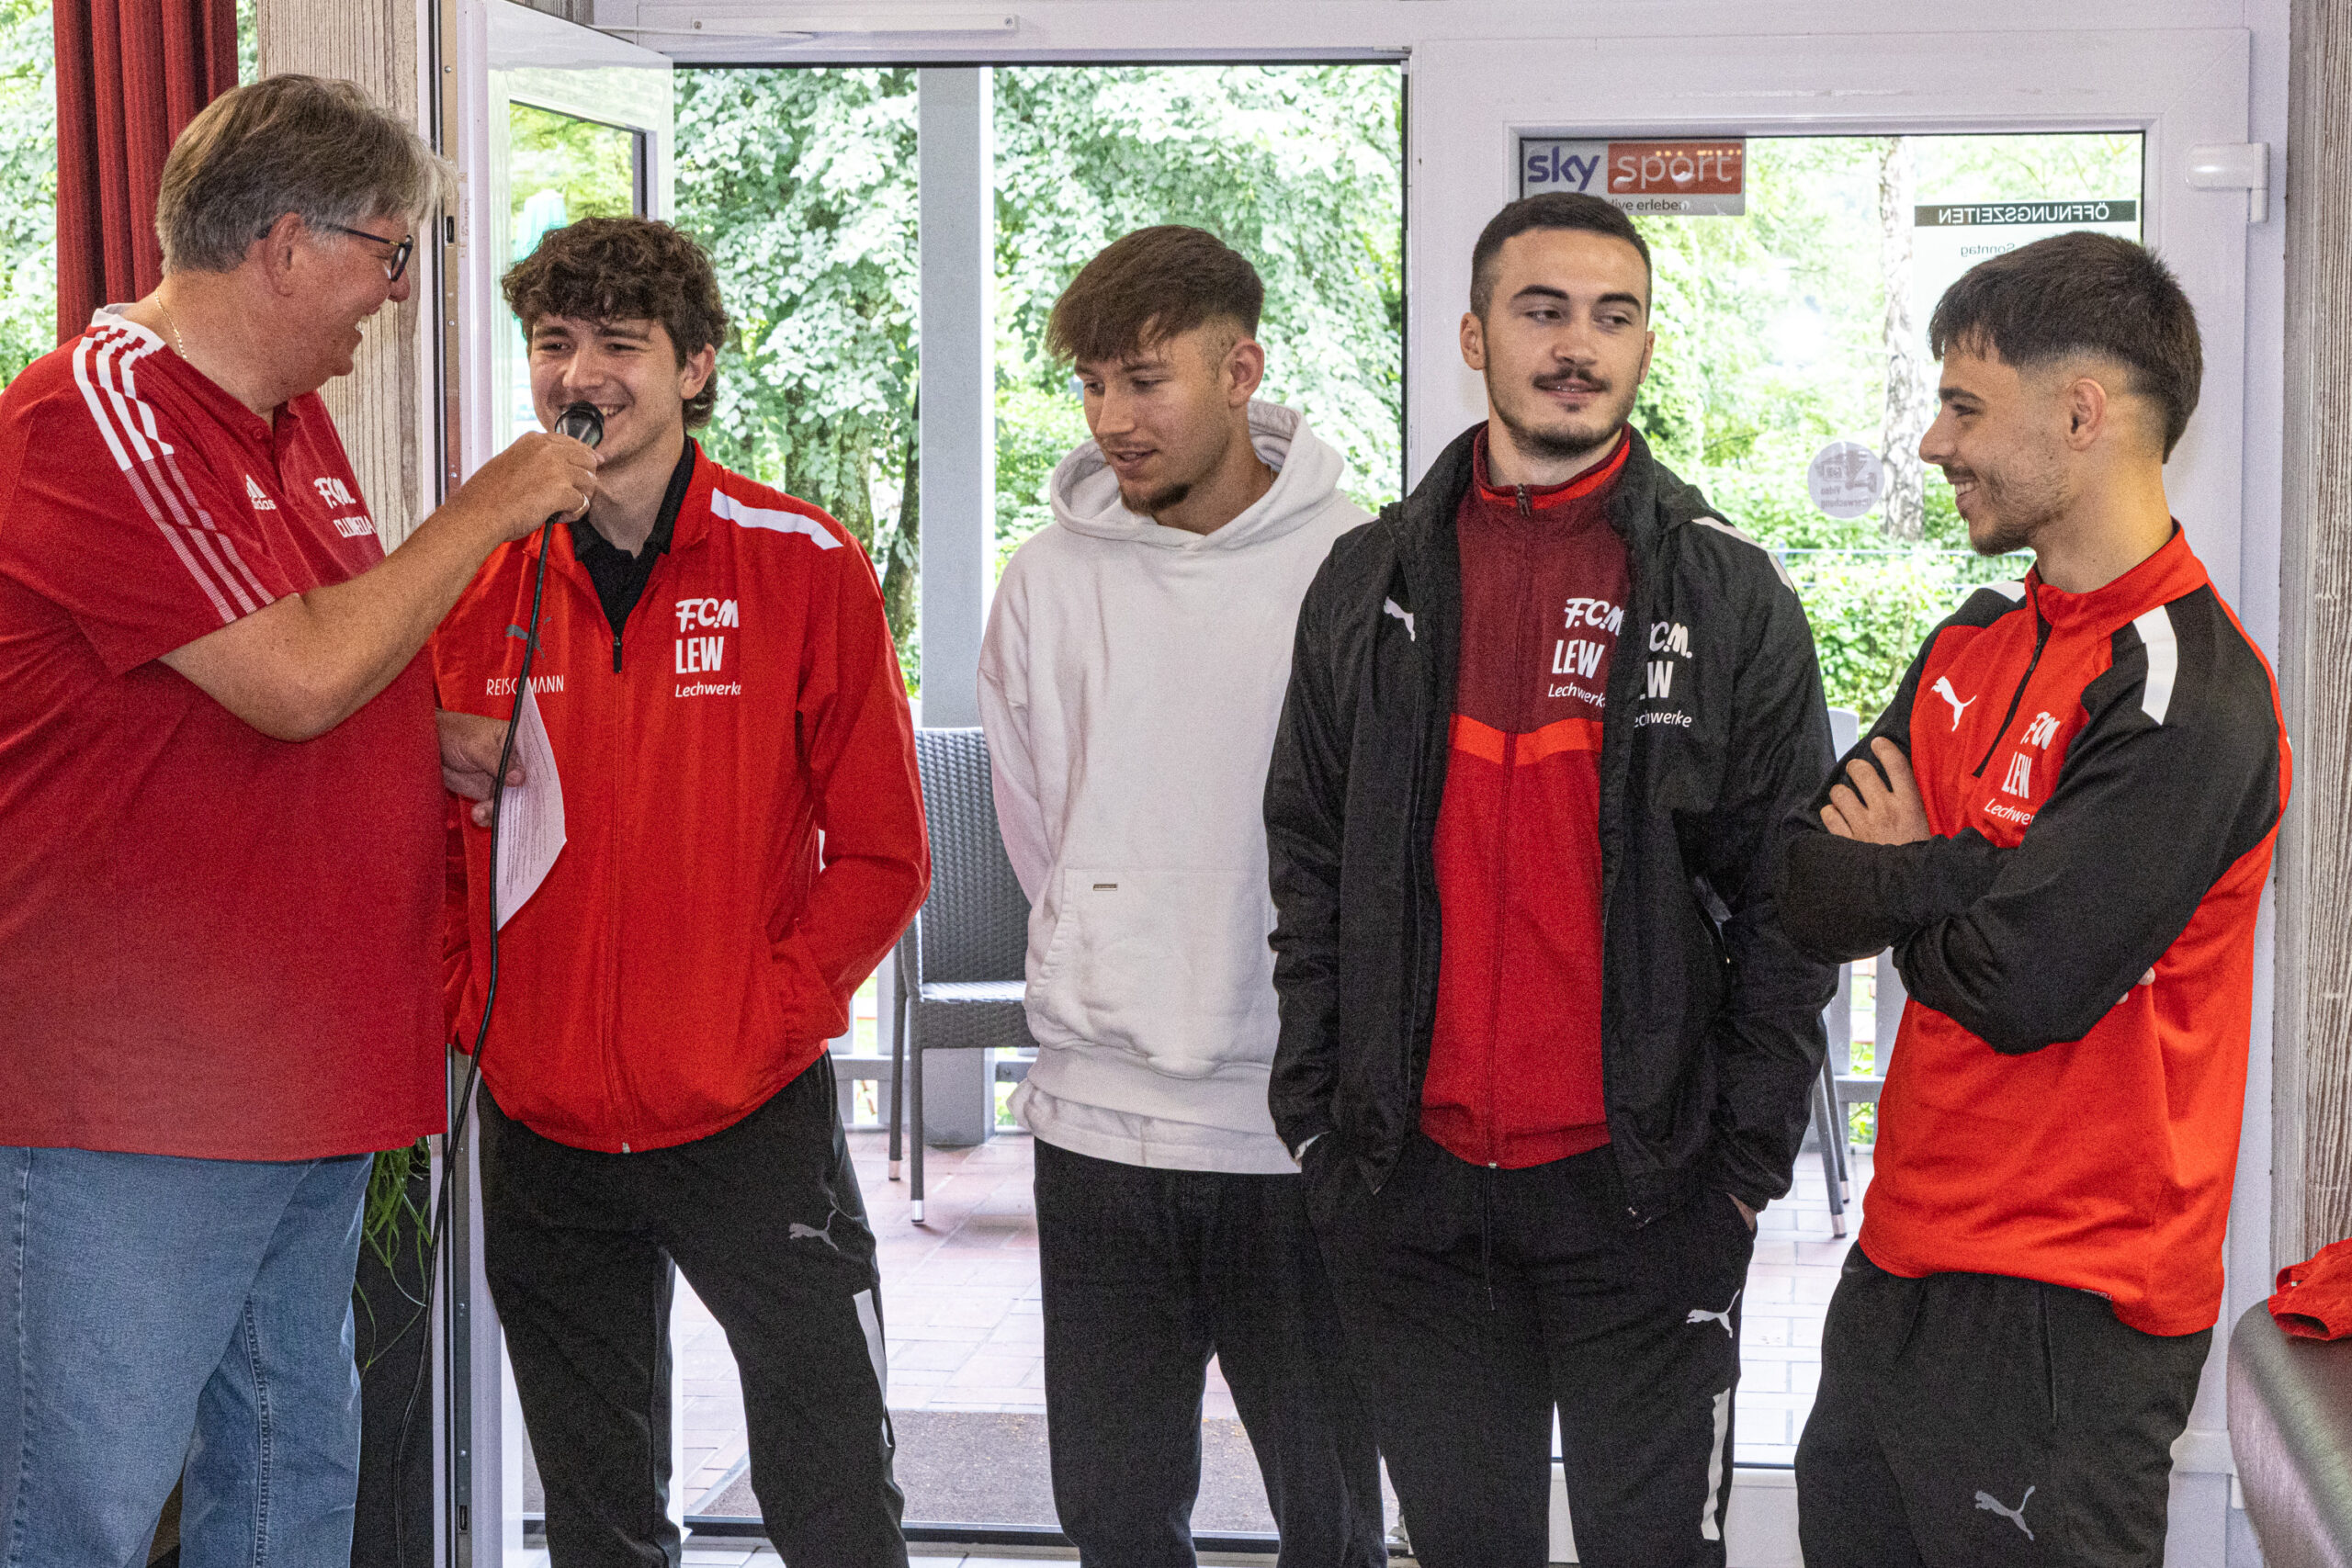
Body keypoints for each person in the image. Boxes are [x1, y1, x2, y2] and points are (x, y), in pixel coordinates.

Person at [0, 75, 594, 1562]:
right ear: (283, 244)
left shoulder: (287, 423)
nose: (397, 293)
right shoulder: (97, 414)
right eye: (389, 252)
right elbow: (295, 678)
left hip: (303, 1070)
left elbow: (265, 664)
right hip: (143, 1096)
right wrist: (482, 511)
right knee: (82, 1508)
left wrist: (419, 742)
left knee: (290, 1483)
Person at [1262, 191, 1838, 1568]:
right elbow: (1310, 861)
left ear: (1643, 347)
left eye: (1612, 317)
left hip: (1647, 1197)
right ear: (1476, 336)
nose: (1578, 345)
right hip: (1413, 1192)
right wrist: (1326, 1132)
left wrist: (1740, 1171)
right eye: (1542, 311)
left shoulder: (1727, 592)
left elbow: (1792, 903)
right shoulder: (1366, 580)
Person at [1784, 232, 2290, 1568]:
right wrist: (1970, 874)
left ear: (2080, 415)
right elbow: (1808, 890)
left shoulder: (2191, 689)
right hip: (1898, 1263)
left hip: (2072, 1305)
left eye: (1964, 406)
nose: (1933, 444)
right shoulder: (1969, 641)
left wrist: (1912, 873)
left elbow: (2027, 988)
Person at [432, 216, 928, 1566]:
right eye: (554, 343)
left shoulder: (801, 559)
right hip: (542, 1124)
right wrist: (477, 1007)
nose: (580, 374)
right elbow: (421, 836)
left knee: (834, 1493)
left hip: (747, 1109)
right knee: (597, 1520)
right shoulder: (474, 570)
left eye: (621, 344)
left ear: (695, 367)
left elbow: (885, 852)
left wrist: (769, 1011)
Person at [978, 225, 1386, 1568]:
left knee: (1332, 1517)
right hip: (1097, 1127)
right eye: (1093, 385)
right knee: (1113, 1517)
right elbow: (1039, 827)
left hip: (1296, 1128)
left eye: (1146, 381)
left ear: (1240, 369)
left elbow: (1389, 851)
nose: (1113, 420)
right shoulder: (1046, 581)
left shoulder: (1362, 566)